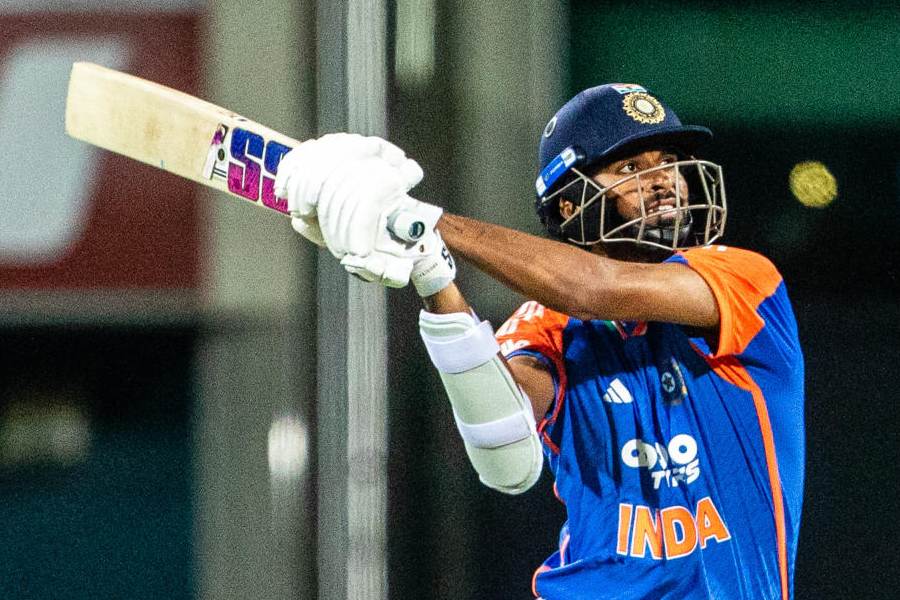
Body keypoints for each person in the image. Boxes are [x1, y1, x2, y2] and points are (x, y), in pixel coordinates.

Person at [274, 84, 805, 600]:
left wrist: (426, 221)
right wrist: (431, 272)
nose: (664, 181)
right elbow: (502, 451)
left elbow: (597, 289)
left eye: (668, 160)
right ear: (572, 207)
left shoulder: (745, 282)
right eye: (630, 169)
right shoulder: (545, 324)